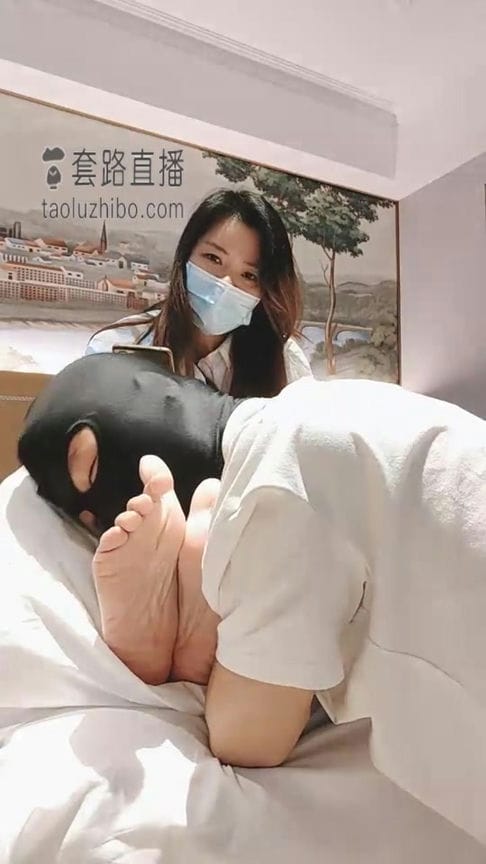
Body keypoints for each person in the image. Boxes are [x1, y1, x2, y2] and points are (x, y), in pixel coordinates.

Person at [18, 351, 486, 794]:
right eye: (89, 521)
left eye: (94, 466)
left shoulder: (278, 476)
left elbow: (251, 742)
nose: (103, 517)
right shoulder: (329, 401)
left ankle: (198, 640)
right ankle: (205, 619)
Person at [87, 188, 312, 396]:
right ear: (186, 254)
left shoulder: (286, 365)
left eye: (249, 275)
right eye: (213, 258)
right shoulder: (117, 346)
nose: (225, 283)